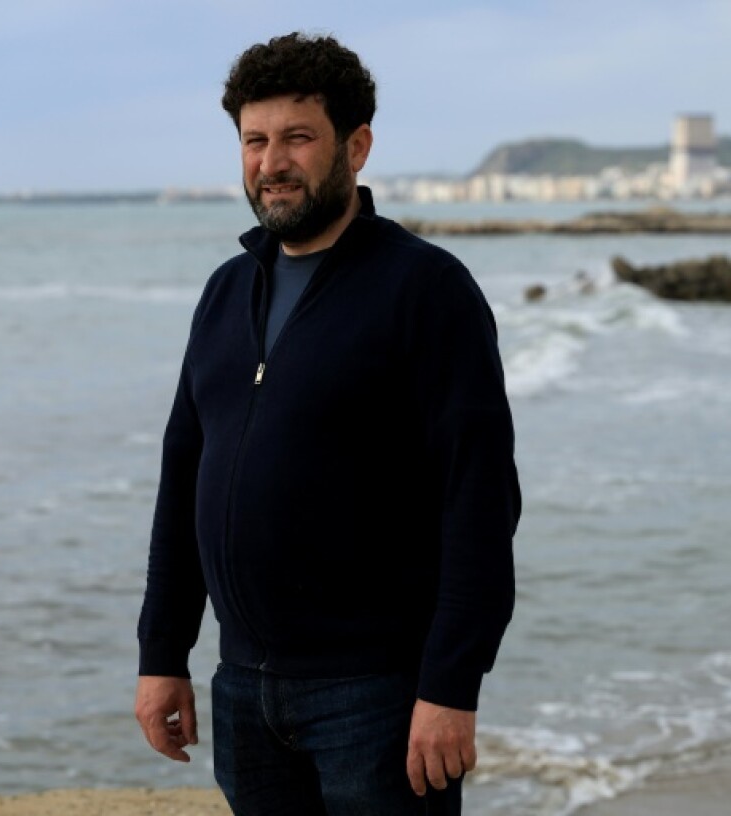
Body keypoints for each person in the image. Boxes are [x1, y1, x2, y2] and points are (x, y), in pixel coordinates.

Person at [134, 32, 519, 816]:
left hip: (376, 696)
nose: (271, 162)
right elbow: (183, 484)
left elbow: (479, 504)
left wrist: (450, 686)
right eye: (254, 140)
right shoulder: (224, 293)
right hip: (242, 692)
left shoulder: (427, 290)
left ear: (357, 145)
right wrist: (161, 653)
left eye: (297, 138)